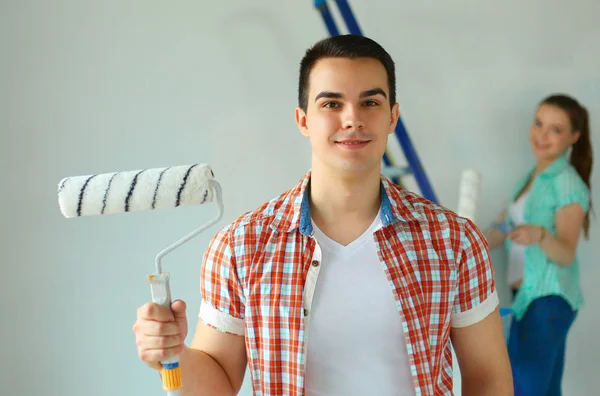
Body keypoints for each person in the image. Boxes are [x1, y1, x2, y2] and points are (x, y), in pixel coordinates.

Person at [133, 34, 513, 395]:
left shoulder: (453, 240)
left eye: (371, 102)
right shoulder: (241, 245)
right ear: (303, 120)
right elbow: (217, 380)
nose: (352, 119)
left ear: (393, 117)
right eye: (331, 104)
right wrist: (172, 356)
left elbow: (488, 375)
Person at [486, 94, 593, 395]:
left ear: (574, 136)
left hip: (547, 301)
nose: (541, 135)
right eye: (538, 123)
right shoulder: (533, 177)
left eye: (555, 130)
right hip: (530, 299)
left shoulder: (567, 183)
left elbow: (566, 252)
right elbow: (504, 227)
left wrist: (541, 235)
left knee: (525, 388)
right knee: (542, 389)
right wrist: (467, 241)